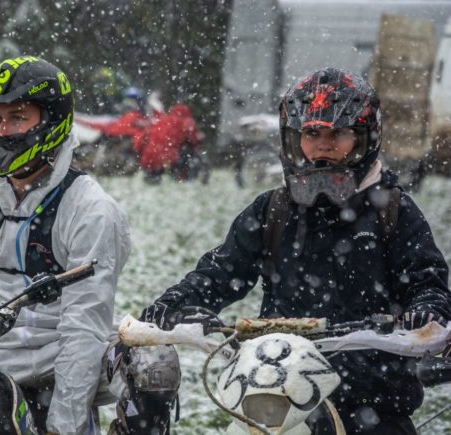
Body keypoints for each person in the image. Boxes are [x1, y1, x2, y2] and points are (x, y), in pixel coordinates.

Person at [140, 67, 451, 434]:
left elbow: (426, 281)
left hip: (373, 400)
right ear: (292, 139)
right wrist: (174, 303)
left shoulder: (393, 212)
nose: (324, 144)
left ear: (367, 137)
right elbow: (221, 273)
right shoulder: (272, 211)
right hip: (279, 391)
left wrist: (425, 311)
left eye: (340, 133)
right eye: (312, 133)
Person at [0, 55, 179, 435]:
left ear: (51, 120)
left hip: (59, 357)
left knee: (152, 362)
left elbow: (83, 326)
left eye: (17, 117)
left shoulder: (90, 209)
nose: (2, 131)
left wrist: (65, 424)